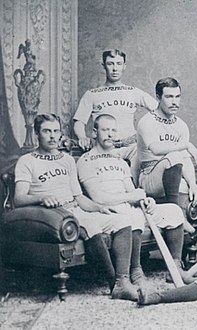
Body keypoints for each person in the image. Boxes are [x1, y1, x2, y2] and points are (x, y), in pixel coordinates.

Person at [14, 113, 139, 301]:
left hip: (75, 210)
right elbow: (18, 198)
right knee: (91, 225)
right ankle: (114, 284)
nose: (52, 136)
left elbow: (78, 197)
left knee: (121, 220)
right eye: (47, 131)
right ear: (37, 133)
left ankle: (123, 281)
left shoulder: (67, 160)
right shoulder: (27, 161)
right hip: (50, 214)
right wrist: (41, 198)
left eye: (56, 131)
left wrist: (98, 207)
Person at [77, 114, 189, 284]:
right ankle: (136, 271)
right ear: (94, 132)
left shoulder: (120, 161)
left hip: (129, 205)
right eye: (105, 130)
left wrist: (144, 199)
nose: (110, 134)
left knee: (173, 211)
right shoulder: (86, 160)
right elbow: (98, 198)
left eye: (113, 130)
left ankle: (175, 267)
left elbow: (132, 190)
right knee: (133, 216)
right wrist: (132, 197)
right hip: (111, 210)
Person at [73, 49, 158, 182]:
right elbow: (79, 121)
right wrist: (82, 137)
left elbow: (159, 112)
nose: (114, 68)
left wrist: (146, 134)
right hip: (106, 147)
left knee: (141, 175)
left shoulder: (132, 91)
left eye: (118, 64)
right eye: (110, 64)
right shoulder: (92, 94)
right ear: (103, 66)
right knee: (113, 182)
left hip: (131, 147)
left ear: (124, 66)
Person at [137, 77, 197, 213]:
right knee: (174, 156)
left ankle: (194, 231)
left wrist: (192, 185)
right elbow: (156, 149)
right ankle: (174, 214)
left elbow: (185, 159)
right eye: (169, 97)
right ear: (158, 97)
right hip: (149, 177)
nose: (174, 102)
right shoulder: (147, 121)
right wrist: (186, 145)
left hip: (173, 176)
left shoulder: (181, 125)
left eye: (177, 96)